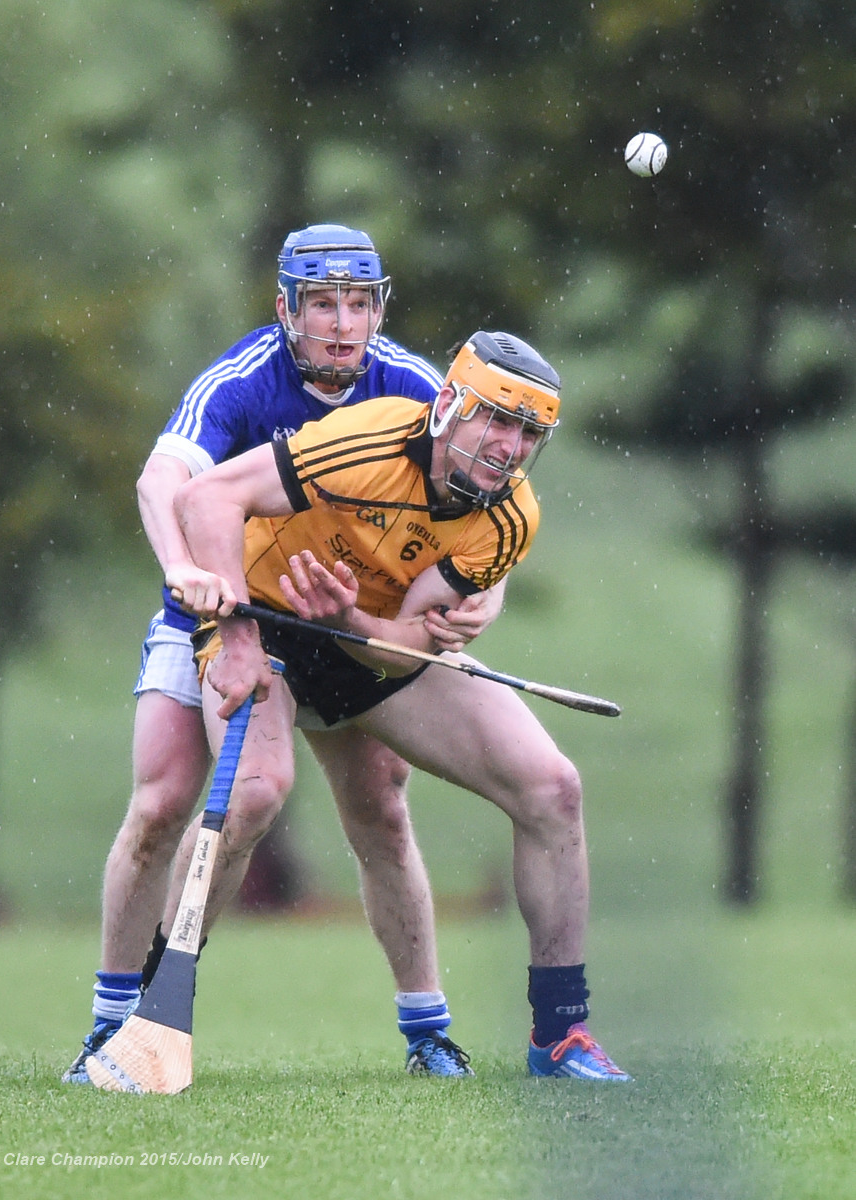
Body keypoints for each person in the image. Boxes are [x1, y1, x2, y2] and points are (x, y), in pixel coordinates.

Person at [62, 225, 500, 1084]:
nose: (343, 323)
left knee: (381, 809)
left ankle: (428, 1033)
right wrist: (186, 571)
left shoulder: (418, 388)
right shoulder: (240, 379)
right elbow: (163, 480)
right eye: (323, 304)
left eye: (360, 303)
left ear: (381, 307)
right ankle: (118, 1026)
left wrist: (477, 601)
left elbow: (488, 507)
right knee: (163, 803)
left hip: (342, 624)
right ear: (285, 310)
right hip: (223, 613)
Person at [166, 329, 631, 1081]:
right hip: (265, 620)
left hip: (363, 636)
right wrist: (237, 628)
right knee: (254, 794)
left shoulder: (510, 518)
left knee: (552, 788)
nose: (509, 447)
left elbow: (401, 645)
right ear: (448, 405)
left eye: (526, 433)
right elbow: (207, 497)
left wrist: (350, 620)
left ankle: (560, 1036)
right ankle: (155, 1014)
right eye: (497, 420)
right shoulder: (364, 441)